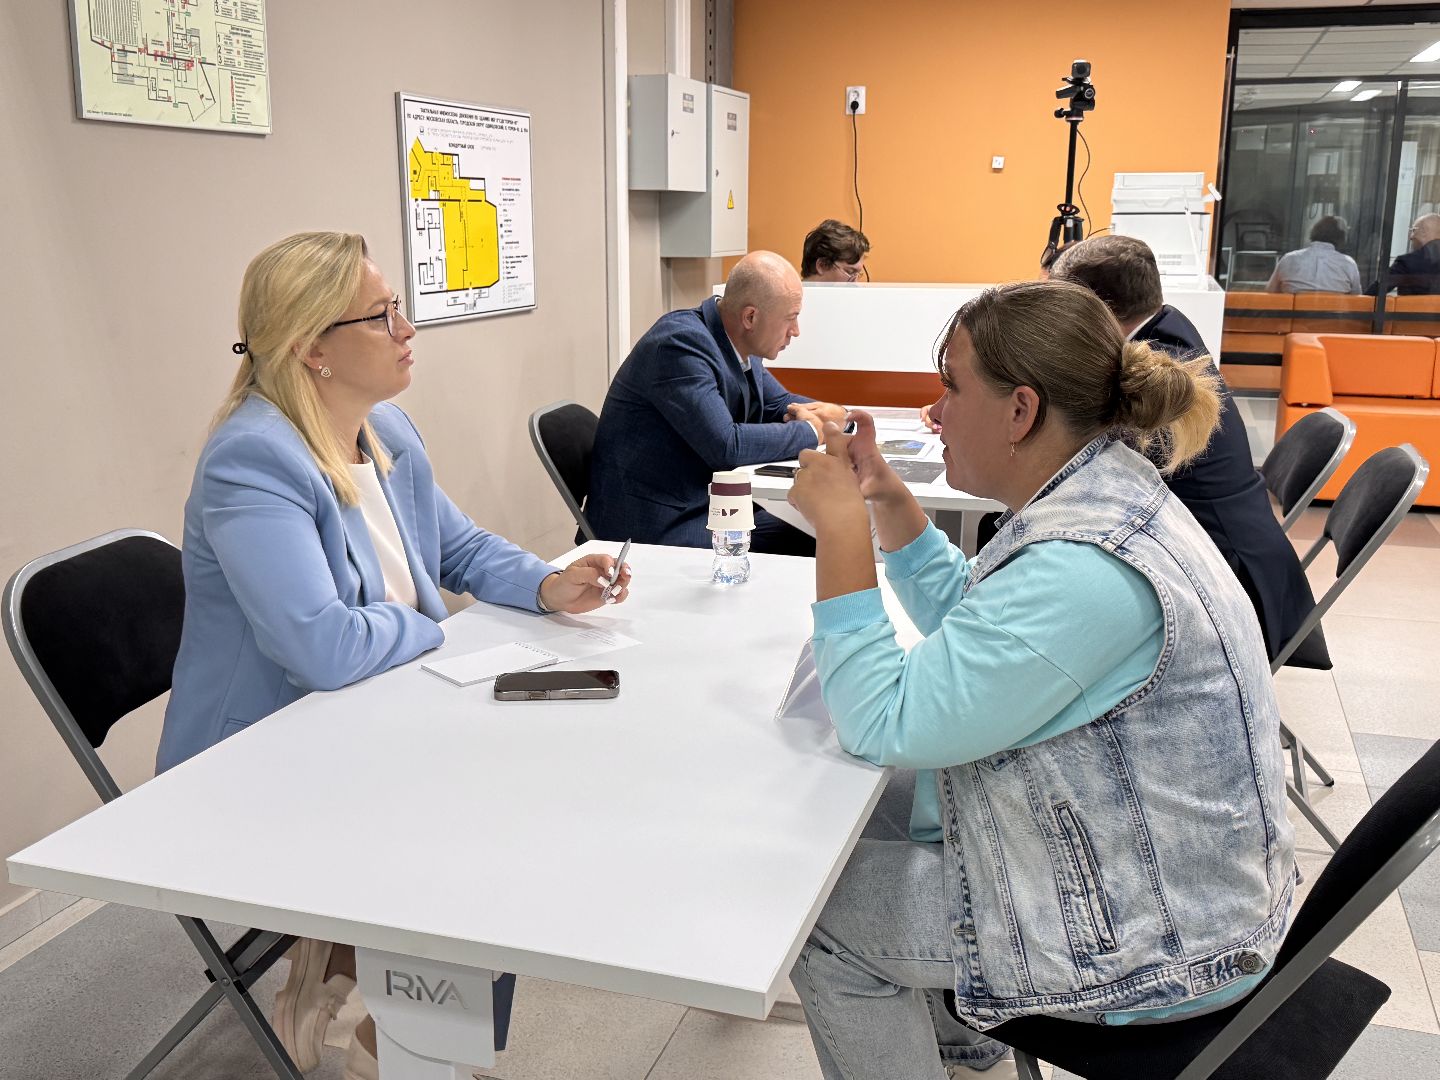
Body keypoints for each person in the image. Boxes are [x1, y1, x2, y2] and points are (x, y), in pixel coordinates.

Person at [783, 279, 1296, 1079]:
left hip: (1163, 939)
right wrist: (885, 497)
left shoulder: (1087, 567)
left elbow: (884, 719)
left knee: (819, 917)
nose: (936, 411)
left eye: (952, 386)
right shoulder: (1102, 489)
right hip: (1165, 875)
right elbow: (988, 630)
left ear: (1021, 412)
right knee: (872, 810)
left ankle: (958, 1034)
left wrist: (842, 533)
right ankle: (964, 1044)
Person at [158, 231, 633, 1079]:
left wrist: (546, 584)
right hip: (258, 757)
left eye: (399, 308)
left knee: (529, 799)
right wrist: (432, 623)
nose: (407, 327)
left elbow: (454, 549)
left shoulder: (382, 428)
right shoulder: (252, 461)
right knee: (484, 833)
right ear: (313, 347)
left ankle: (371, 985)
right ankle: (409, 1037)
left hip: (368, 714)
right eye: (382, 316)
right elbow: (325, 646)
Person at [1051, 234, 1328, 667]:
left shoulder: (1155, 371)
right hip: (1237, 555)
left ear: (1097, 312)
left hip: (1229, 583)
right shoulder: (1165, 329)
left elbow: (1081, 459)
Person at [587, 251, 846, 554]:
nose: (796, 331)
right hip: (657, 525)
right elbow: (726, 446)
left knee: (818, 546)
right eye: (790, 318)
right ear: (750, 317)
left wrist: (837, 415)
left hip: (706, 504)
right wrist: (814, 432)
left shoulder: (734, 342)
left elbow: (779, 404)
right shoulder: (680, 346)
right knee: (816, 552)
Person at [1266, 215, 1361, 294]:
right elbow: (1357, 299)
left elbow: (1270, 292)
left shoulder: (1288, 259)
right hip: (1333, 316)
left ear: (1314, 232)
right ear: (1341, 238)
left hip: (1294, 316)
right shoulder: (1348, 264)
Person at [1370, 212, 1440, 295]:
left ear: (1424, 232)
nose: (1411, 237)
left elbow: (1375, 291)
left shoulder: (1407, 262)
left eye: (1413, 230)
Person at [802, 219, 870, 281]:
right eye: (850, 272)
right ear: (822, 265)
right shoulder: (794, 294)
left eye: (858, 275)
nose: (855, 282)